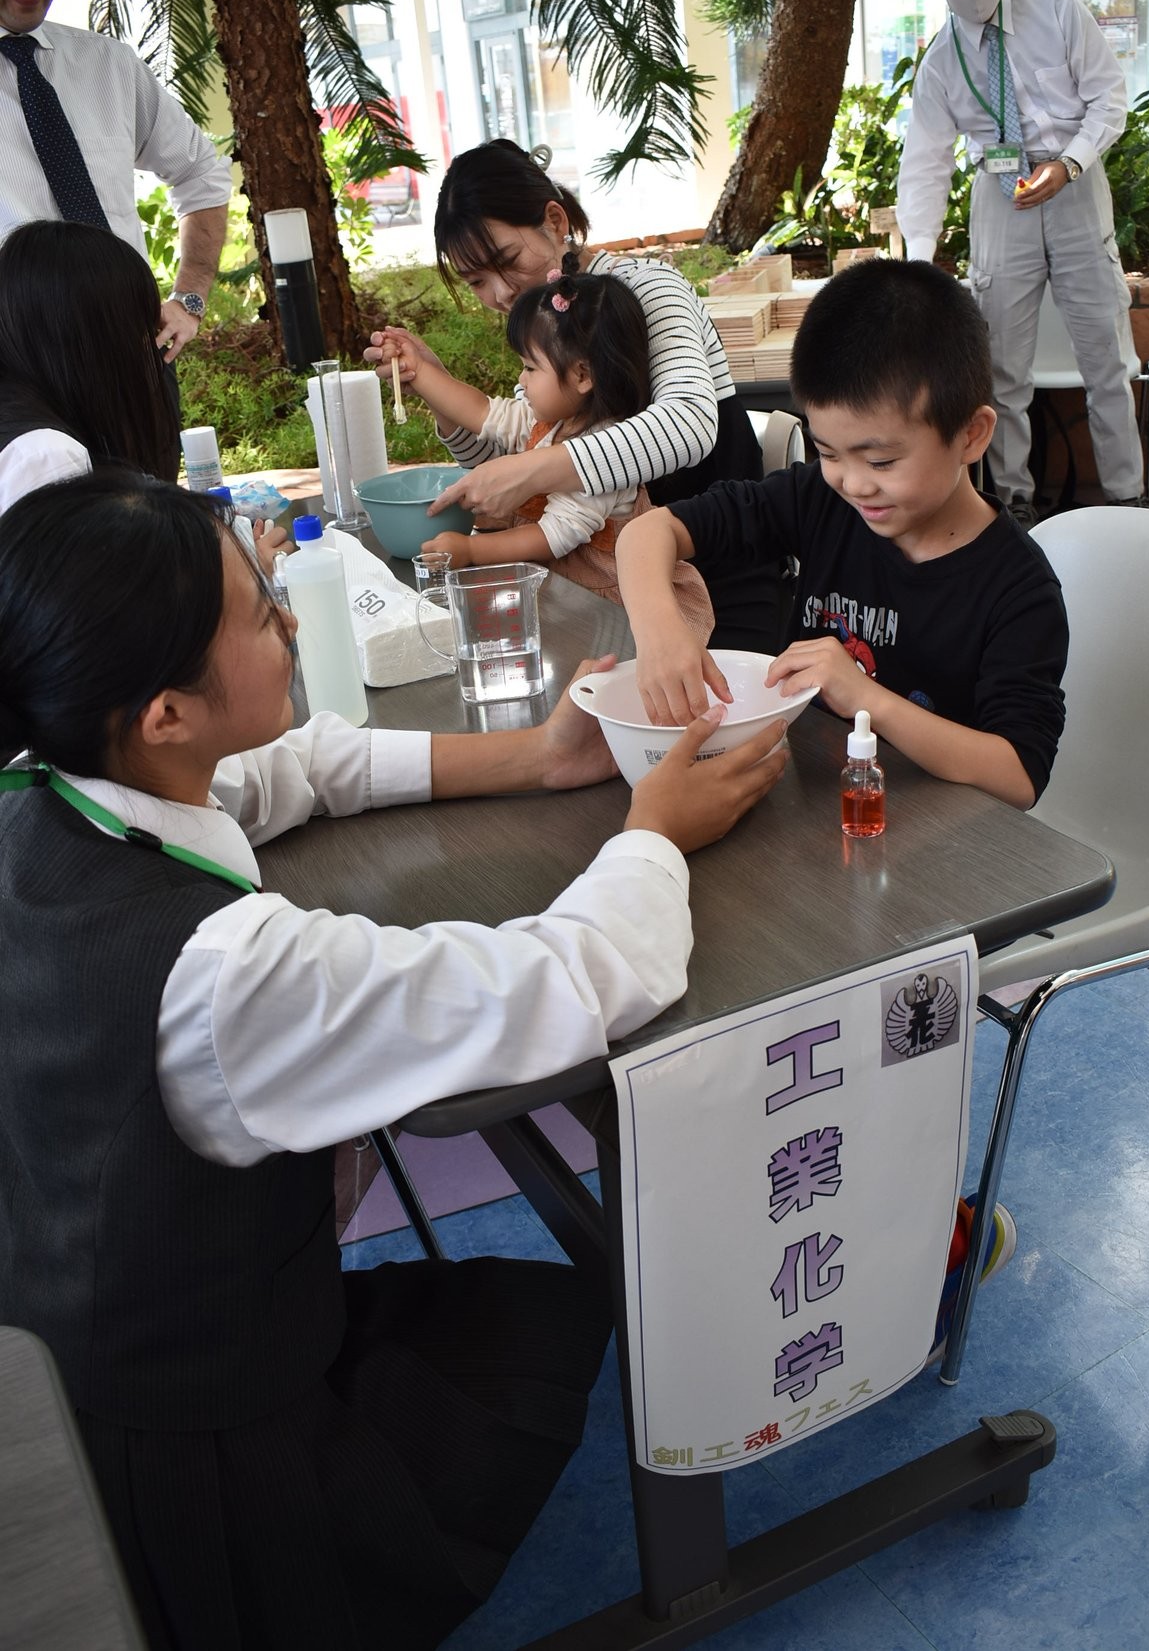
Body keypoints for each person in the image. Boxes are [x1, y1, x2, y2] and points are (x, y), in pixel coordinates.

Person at [0, 467, 787, 1650]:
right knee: (541, 1341)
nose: (287, 619)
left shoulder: (46, 790)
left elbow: (299, 768)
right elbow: (573, 980)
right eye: (258, 612)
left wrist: (543, 757)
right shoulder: (227, 973)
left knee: (519, 1316)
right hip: (201, 1472)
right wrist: (654, 831)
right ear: (166, 713)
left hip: (97, 1362)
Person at [614, 259, 1068, 810]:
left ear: (971, 435)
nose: (853, 484)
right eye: (828, 452)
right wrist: (661, 633)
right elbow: (649, 532)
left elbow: (1018, 776)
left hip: (938, 829)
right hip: (814, 800)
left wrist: (866, 698)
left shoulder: (1019, 589)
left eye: (881, 461)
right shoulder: (822, 501)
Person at [365, 137, 781, 650]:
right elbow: (517, 466)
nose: (500, 293)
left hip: (713, 587)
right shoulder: (546, 315)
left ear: (555, 221)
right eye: (475, 281)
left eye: (507, 259)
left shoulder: (648, 288)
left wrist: (530, 469)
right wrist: (434, 385)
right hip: (607, 596)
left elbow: (688, 426)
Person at [896, 0, 1144, 525]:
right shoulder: (941, 60)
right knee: (1001, 366)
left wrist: (1069, 164)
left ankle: (1128, 498)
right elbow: (925, 161)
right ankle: (1014, 502)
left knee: (1107, 358)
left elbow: (1108, 100)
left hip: (1074, 186)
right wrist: (919, 260)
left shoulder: (1058, 11)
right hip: (999, 196)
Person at [394, 253, 714, 637]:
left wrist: (470, 550)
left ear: (582, 375)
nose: (521, 379)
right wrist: (420, 372)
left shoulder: (604, 453)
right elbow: (482, 412)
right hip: (566, 597)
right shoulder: (548, 423)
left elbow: (550, 538)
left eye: (530, 367)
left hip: (611, 613)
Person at [0, 0, 231, 364]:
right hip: (17, 382)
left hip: (136, 365)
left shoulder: (108, 66)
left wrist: (189, 299)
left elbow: (201, 172)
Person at [0, 219, 290, 568]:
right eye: (144, 328)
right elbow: (91, 595)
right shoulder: (46, 457)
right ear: (97, 338)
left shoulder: (27, 424)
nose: (150, 347)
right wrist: (245, 571)